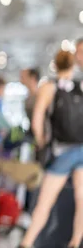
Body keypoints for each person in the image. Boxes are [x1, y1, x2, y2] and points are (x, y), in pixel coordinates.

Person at [19, 50, 83, 248]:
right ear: (72, 66)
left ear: (55, 65)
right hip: (81, 148)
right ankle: (75, 242)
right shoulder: (80, 86)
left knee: (45, 202)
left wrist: (41, 141)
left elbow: (37, 122)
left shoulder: (49, 87)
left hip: (61, 151)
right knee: (82, 200)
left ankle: (27, 243)